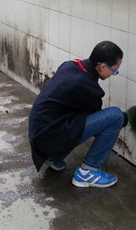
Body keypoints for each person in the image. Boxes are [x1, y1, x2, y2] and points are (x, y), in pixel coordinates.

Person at [28, 41, 128, 188]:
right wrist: (124, 119)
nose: (114, 74)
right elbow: (100, 120)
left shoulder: (70, 65)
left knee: (80, 119)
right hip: (49, 139)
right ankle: (88, 172)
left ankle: (51, 156)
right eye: (114, 70)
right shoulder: (87, 86)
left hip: (38, 136)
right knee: (116, 116)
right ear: (102, 67)